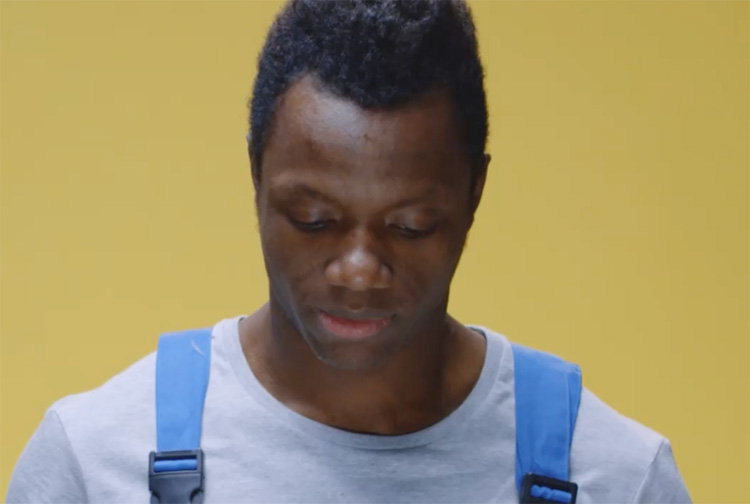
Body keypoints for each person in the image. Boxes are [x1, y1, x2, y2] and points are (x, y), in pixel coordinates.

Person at [7, 1, 691, 502]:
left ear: (474, 193)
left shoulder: (618, 479)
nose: (359, 272)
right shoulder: (92, 463)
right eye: (314, 220)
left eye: (411, 226)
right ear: (256, 177)